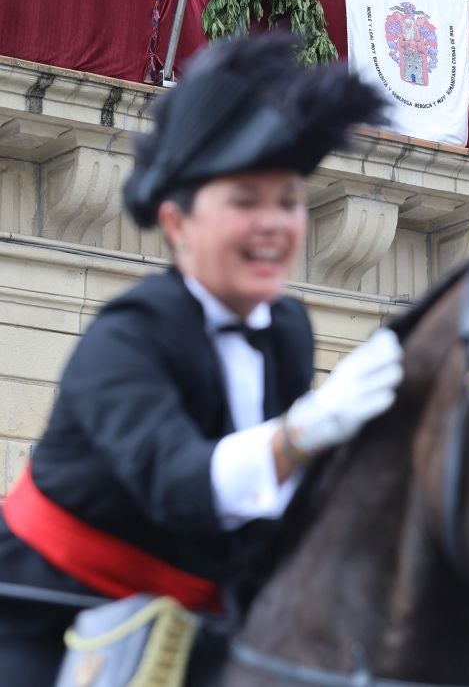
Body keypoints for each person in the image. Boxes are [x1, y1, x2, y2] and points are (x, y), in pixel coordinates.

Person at [0, 34, 403, 685]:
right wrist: (302, 435)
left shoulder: (289, 330)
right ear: (178, 224)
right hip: (51, 614)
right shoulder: (126, 337)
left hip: (203, 619)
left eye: (288, 201)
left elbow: (271, 516)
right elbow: (182, 484)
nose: (274, 224)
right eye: (245, 202)